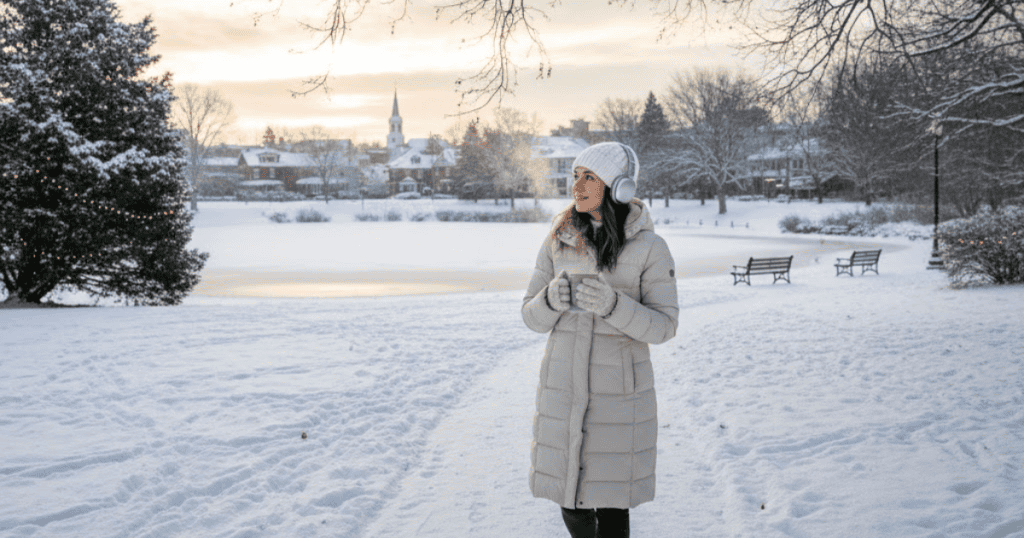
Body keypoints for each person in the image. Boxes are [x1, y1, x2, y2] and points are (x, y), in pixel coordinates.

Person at [521, 142, 680, 538]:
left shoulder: (651, 249)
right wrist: (549, 300)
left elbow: (664, 326)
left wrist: (613, 306)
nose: (577, 185)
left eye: (589, 176)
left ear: (618, 187)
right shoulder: (559, 238)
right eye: (575, 175)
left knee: (611, 509)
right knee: (570, 503)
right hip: (562, 392)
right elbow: (530, 315)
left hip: (619, 398)